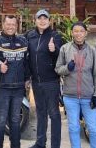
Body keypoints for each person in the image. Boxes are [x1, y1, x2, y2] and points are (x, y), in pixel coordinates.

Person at [55, 21, 96, 148]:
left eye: (81, 31)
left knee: (93, 128)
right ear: (72, 33)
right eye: (76, 31)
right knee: (73, 128)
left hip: (88, 96)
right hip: (70, 97)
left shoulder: (92, 50)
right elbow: (58, 69)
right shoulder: (65, 49)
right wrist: (67, 68)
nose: (78, 34)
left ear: (85, 33)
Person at [0, 15, 30, 148]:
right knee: (1, 120)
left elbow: (26, 63)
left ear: (17, 26)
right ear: (2, 24)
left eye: (13, 24)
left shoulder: (23, 41)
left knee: (15, 121)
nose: (11, 27)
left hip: (18, 88)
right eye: (8, 24)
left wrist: (27, 78)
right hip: (1, 87)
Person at [25, 9, 63, 148]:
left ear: (49, 20)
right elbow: (26, 56)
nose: (42, 21)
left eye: (45, 18)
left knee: (54, 114)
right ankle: (40, 143)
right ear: (35, 20)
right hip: (36, 81)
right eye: (39, 18)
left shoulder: (55, 35)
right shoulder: (30, 35)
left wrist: (54, 50)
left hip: (51, 81)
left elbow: (61, 56)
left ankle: (55, 145)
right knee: (41, 112)